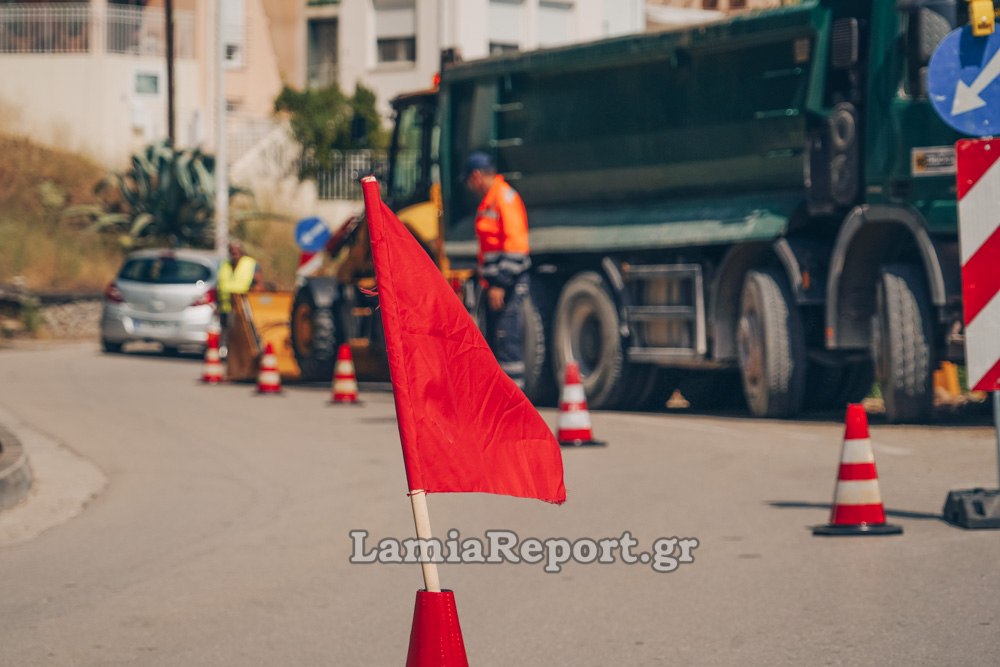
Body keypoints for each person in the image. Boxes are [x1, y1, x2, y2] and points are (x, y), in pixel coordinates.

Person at [464, 151, 531, 389]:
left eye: (469, 180)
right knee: (496, 340)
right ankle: (502, 396)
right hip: (495, 284)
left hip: (507, 284)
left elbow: (516, 246)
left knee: (507, 340)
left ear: (476, 175)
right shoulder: (490, 200)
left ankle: (514, 397)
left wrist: (500, 283)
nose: (470, 186)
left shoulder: (504, 197)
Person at [217, 240, 262, 354]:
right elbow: (220, 284)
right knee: (227, 329)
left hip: (243, 304)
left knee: (247, 329)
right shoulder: (225, 265)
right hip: (226, 305)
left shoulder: (250, 264)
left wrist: (252, 295)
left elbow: (259, 284)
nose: (234, 253)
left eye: (236, 250)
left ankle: (254, 350)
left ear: (242, 251)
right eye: (232, 250)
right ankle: (226, 351)